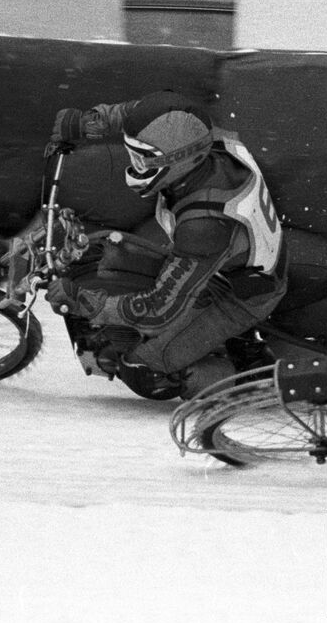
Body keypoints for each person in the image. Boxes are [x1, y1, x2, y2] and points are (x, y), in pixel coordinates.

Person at [20, 90, 287, 398]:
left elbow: (158, 309)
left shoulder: (204, 225)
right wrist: (87, 123)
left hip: (241, 294)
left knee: (142, 371)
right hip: (224, 262)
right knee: (108, 252)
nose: (135, 167)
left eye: (142, 159)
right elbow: (136, 115)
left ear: (177, 160)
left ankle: (258, 383)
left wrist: (85, 301)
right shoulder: (197, 134)